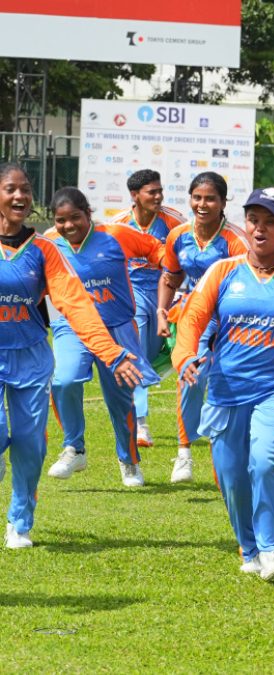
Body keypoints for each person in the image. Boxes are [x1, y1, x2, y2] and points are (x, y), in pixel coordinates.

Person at [174, 188, 274, 582]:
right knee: (231, 476)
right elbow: (192, 320)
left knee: (265, 460)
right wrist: (185, 356)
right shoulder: (223, 272)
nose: (260, 228)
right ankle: (250, 546)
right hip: (226, 392)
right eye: (254, 219)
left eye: (271, 221)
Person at [0, 163, 142, 548]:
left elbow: (76, 305)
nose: (20, 197)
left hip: (30, 359)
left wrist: (112, 353)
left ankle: (20, 522)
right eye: (11, 189)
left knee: (31, 445)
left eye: (25, 190)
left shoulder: (44, 250)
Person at [44, 187, 164, 487]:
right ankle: (75, 448)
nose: (69, 225)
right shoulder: (48, 244)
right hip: (71, 328)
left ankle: (129, 461)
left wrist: (172, 279)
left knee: (121, 399)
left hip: (117, 329)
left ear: (88, 214)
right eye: (61, 220)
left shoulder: (116, 234)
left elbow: (158, 251)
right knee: (63, 380)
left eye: (75, 217)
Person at [157, 172, 248, 484]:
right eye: (197, 197)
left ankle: (231, 456)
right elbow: (170, 277)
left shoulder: (235, 241)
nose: (203, 204)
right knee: (190, 376)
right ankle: (184, 453)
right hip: (191, 316)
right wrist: (160, 311)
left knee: (227, 385)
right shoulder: (178, 236)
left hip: (226, 319)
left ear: (223, 202)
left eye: (210, 198)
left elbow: (247, 284)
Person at [107, 169, 185, 447]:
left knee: (152, 354)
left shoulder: (174, 221)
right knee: (137, 353)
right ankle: (140, 424)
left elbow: (186, 254)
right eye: (152, 192)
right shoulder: (118, 224)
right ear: (134, 195)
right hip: (132, 294)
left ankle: (132, 404)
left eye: (160, 191)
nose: (158, 196)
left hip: (166, 294)